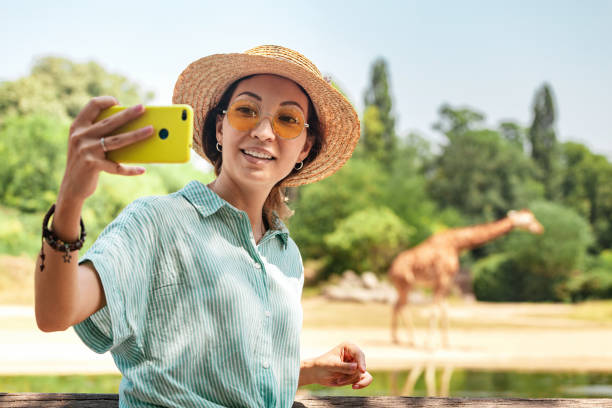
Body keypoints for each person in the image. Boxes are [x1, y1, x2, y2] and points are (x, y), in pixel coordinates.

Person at [34, 45, 372, 407]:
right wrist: (70, 202)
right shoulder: (156, 222)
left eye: (287, 119)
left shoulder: (286, 253)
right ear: (220, 128)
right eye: (246, 111)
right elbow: (56, 312)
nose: (262, 131)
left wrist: (302, 370)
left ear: (305, 148)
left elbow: (219, 370)